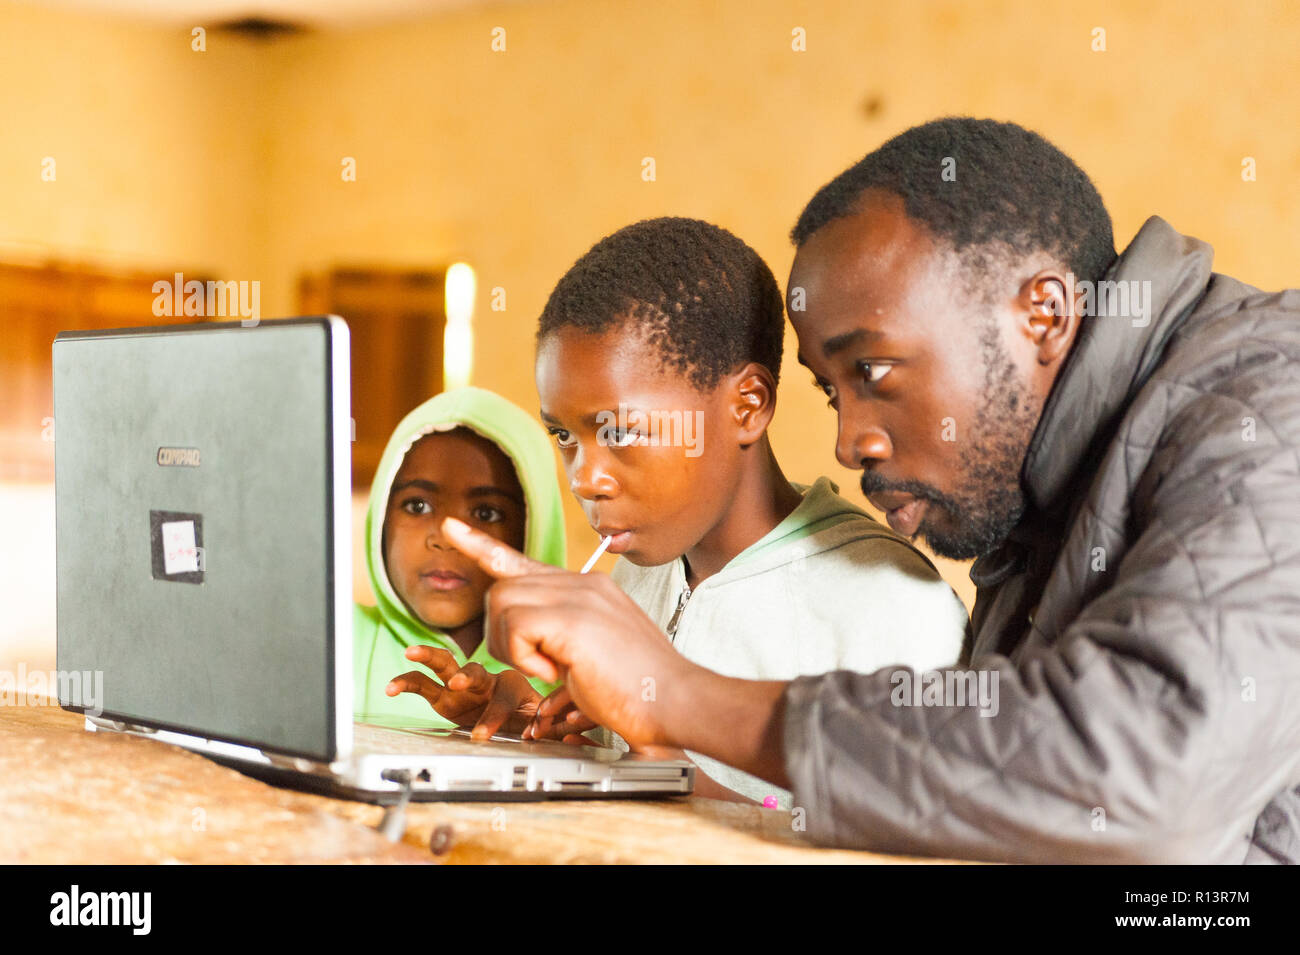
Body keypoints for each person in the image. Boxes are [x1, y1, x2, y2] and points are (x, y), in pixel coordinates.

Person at [441, 118, 1300, 863]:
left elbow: (1152, 780)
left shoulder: (1270, 399)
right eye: (830, 389)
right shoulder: (1037, 513)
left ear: (1042, 315)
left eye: (874, 370)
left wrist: (675, 695)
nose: (850, 441)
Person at [527, 216, 969, 805]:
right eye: (563, 436)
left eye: (621, 430)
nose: (585, 478)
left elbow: (917, 835)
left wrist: (669, 775)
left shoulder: (893, 607)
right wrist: (535, 730)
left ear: (748, 405)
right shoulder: (641, 567)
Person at [352, 386, 567, 738]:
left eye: (486, 512)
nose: (445, 538)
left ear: (535, 531)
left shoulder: (574, 672)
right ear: (381, 520)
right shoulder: (329, 638)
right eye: (417, 506)